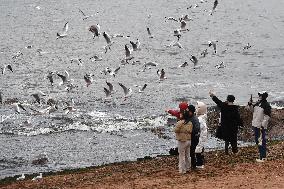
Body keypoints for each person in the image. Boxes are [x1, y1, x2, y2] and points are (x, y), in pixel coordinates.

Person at [166, 103, 200, 169]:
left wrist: (189, 132)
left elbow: (196, 129)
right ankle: (190, 166)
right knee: (189, 153)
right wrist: (169, 111)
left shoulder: (193, 119)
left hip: (192, 138)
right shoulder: (187, 116)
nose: (181, 110)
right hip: (188, 138)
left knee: (190, 153)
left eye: (181, 108)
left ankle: (191, 166)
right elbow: (175, 113)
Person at [247, 91, 271, 162]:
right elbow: (251, 110)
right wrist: (250, 103)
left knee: (261, 141)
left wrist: (262, 125)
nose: (259, 96)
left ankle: (263, 157)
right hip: (255, 124)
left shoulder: (266, 105)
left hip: (260, 126)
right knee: (258, 141)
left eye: (260, 95)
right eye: (259, 95)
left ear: (263, 96)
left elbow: (267, 116)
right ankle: (262, 155)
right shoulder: (257, 103)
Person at [174, 109, 193, 174]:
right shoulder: (190, 123)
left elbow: (175, 130)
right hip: (189, 140)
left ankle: (182, 170)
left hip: (182, 141)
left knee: (181, 156)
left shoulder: (180, 122)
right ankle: (188, 168)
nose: (180, 114)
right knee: (188, 155)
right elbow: (190, 131)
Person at [195, 101, 208, 169]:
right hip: (202, 137)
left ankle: (199, 164)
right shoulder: (203, 118)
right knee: (200, 149)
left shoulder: (199, 119)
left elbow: (198, 128)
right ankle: (200, 161)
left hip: (199, 137)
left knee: (198, 151)